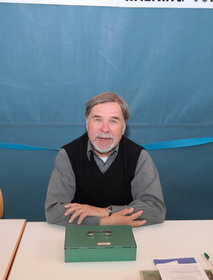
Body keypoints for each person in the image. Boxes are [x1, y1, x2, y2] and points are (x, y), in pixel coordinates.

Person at [45, 91, 166, 228]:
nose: (105, 129)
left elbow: (156, 210)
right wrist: (103, 222)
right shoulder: (68, 155)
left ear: (123, 128)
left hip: (128, 234)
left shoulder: (138, 156)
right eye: (98, 120)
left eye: (113, 121)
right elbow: (53, 211)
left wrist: (106, 211)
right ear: (87, 124)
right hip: (81, 234)